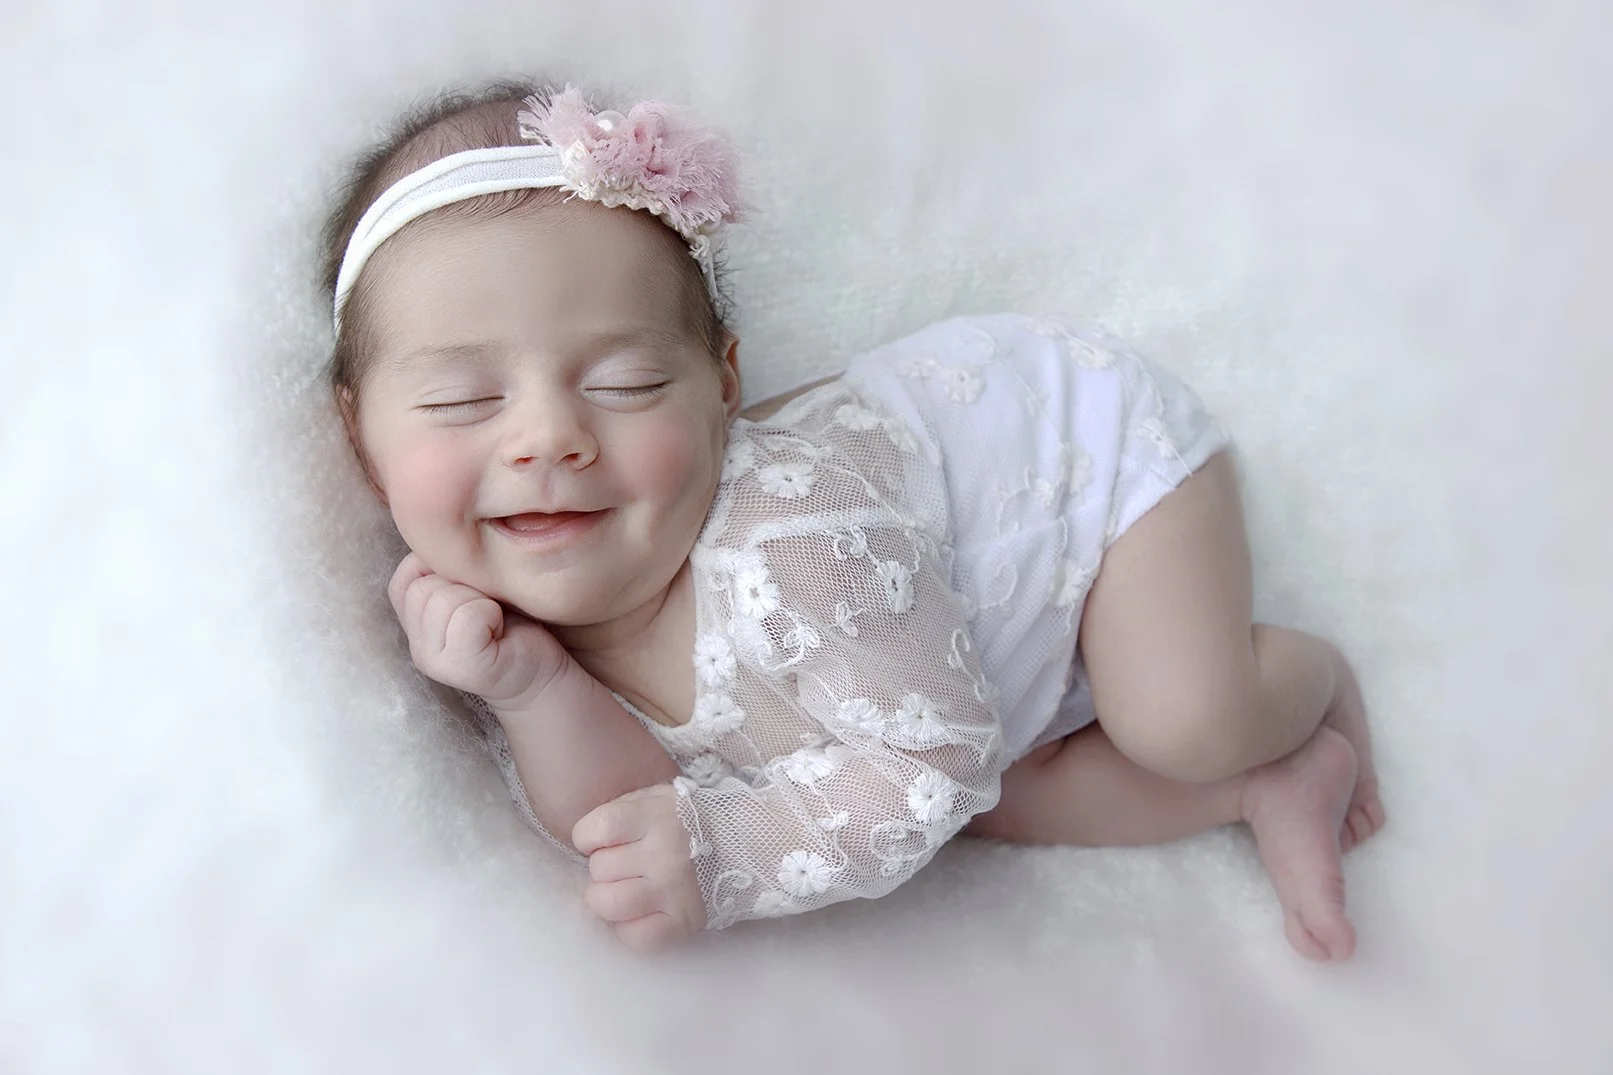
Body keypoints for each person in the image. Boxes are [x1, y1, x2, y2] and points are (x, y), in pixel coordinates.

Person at [322, 80, 1385, 960]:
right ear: (360, 440)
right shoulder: (493, 592)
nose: (546, 439)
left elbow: (936, 762)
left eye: (629, 380)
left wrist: (732, 849)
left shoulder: (796, 543)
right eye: (463, 401)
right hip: (943, 678)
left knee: (1174, 721)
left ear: (721, 387)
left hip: (1086, 469)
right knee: (996, 803)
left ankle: (1295, 681)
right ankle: (1269, 779)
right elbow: (623, 816)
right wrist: (529, 690)